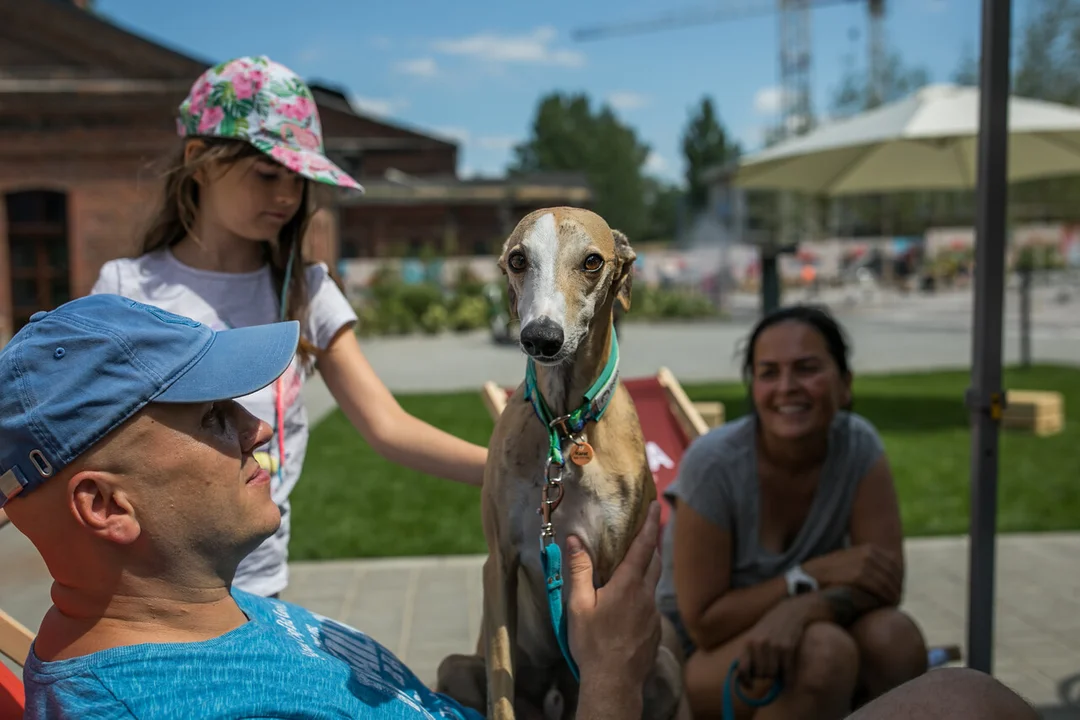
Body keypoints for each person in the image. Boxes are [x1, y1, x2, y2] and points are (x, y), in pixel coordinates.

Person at [0, 294, 664, 719]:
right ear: (108, 506)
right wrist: (610, 682)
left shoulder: (195, 613)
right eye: (212, 418)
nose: (258, 429)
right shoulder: (181, 705)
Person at [89, 55, 487, 599]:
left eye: (297, 179)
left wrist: (516, 474)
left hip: (261, 593)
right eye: (266, 174)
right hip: (146, 599)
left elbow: (388, 427)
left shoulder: (308, 292)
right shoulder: (125, 290)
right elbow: (71, 443)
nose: (285, 196)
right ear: (199, 162)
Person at [655, 304, 928, 719]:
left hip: (806, 625)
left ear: (845, 384)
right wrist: (813, 576)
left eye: (807, 368)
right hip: (699, 658)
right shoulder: (714, 465)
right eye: (769, 373)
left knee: (895, 637)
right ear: (754, 388)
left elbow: (886, 581)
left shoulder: (858, 447)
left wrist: (802, 608)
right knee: (822, 653)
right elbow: (705, 624)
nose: (787, 387)